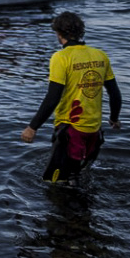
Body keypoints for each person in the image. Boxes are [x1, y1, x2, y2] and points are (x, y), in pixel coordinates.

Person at [21, 12, 122, 184]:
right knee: (80, 176)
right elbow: (115, 93)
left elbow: (53, 97)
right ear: (80, 31)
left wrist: (32, 127)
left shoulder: (61, 58)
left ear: (58, 33)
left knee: (55, 183)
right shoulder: (100, 55)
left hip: (71, 130)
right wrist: (114, 118)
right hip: (94, 131)